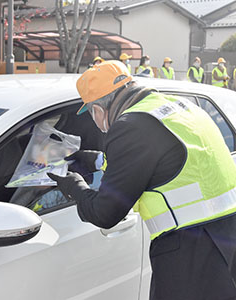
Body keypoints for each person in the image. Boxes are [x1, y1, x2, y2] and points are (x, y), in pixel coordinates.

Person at [48, 60, 236, 300]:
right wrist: (95, 160)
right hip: (226, 238)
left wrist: (75, 188)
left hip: (190, 252)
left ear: (97, 110)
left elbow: (105, 214)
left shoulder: (129, 126)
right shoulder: (180, 107)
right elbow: (163, 158)